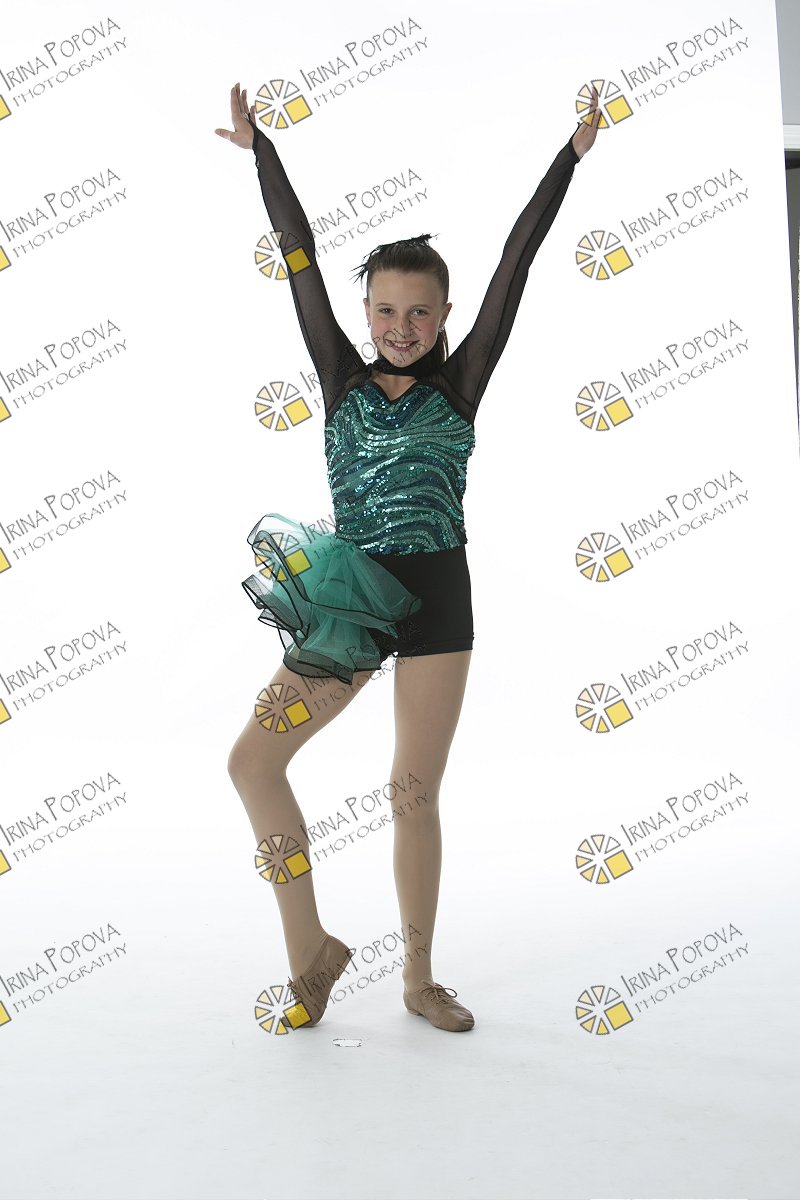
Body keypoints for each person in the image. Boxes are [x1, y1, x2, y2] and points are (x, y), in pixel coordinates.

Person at [216, 80, 600, 1033]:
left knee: (412, 791)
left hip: (436, 601)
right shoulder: (339, 375)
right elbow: (298, 255)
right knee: (254, 764)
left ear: (444, 314)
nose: (400, 328)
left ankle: (418, 977)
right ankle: (312, 952)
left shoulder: (461, 383)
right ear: (365, 311)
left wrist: (570, 155)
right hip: (351, 599)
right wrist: (264, 154)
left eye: (419, 313)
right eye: (385, 310)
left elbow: (517, 259)